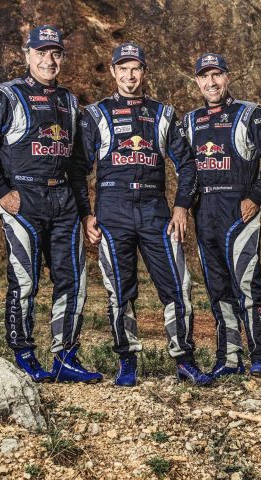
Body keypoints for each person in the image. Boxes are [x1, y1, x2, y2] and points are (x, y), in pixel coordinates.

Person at [0, 26, 102, 383]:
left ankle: (66, 356)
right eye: (41, 52)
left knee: (73, 281)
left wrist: (85, 212)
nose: (48, 60)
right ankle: (24, 355)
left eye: (55, 53)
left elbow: (76, 164)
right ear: (27, 54)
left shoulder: (70, 101)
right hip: (24, 201)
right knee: (24, 282)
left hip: (65, 203)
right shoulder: (5, 95)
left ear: (62, 58)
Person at [74, 42, 211, 387]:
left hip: (155, 211)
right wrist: (85, 215)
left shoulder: (163, 113)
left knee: (178, 286)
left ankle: (184, 359)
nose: (129, 74)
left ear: (144, 72)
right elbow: (78, 168)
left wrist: (181, 205)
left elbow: (188, 165)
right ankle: (127, 362)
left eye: (136, 68)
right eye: (123, 68)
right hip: (112, 212)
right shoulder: (96, 113)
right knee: (120, 291)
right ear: (113, 72)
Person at [182, 53, 261, 378]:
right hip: (205, 212)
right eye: (204, 77)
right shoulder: (190, 120)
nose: (211, 82)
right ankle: (228, 357)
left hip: (238, 209)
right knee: (217, 288)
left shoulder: (250, 113)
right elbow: (186, 169)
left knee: (246, 284)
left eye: (217, 75)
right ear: (197, 81)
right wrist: (184, 205)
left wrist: (256, 196)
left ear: (227, 77)